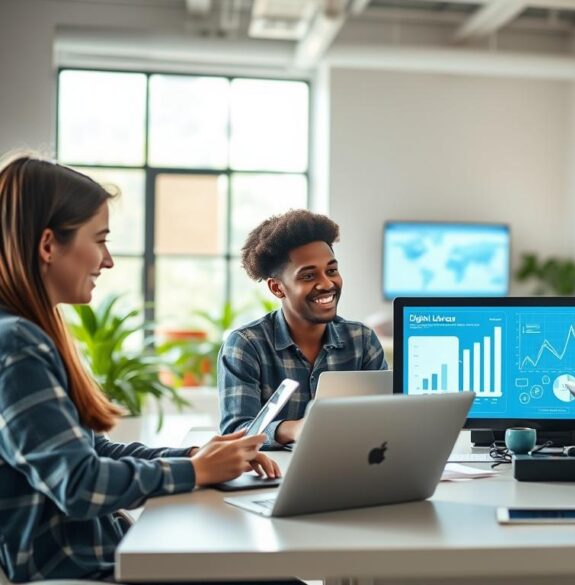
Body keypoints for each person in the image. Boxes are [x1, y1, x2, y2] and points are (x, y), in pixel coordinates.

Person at [0, 154, 282, 583]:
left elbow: (94, 452)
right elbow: (78, 483)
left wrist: (194, 456)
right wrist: (197, 471)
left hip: (109, 558)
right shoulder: (16, 344)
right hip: (86, 573)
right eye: (99, 240)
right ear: (48, 245)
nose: (108, 260)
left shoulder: (28, 334)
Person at [219, 210, 387, 448]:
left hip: (350, 468)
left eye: (331, 271)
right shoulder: (246, 345)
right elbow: (236, 431)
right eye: (308, 276)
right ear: (277, 288)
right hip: (273, 478)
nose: (327, 283)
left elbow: (385, 418)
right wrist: (295, 428)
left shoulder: (362, 340)